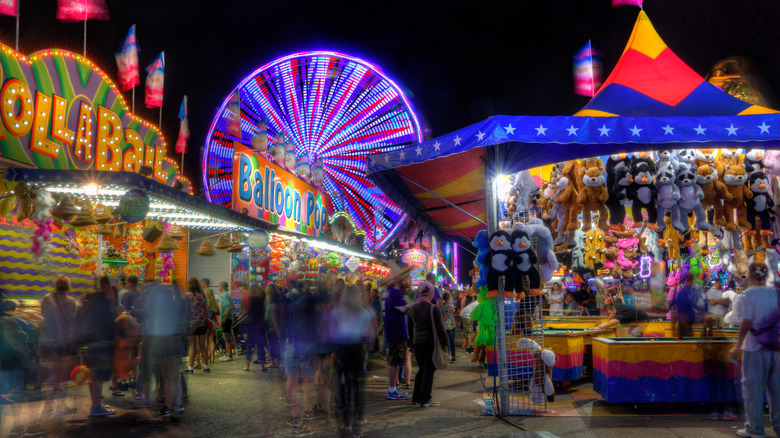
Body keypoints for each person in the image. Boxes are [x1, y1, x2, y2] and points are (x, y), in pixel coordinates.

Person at [729, 263, 780, 438]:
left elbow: (746, 324)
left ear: (750, 276)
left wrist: (737, 346)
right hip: (775, 347)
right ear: (766, 276)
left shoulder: (747, 295)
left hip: (754, 348)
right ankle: (779, 426)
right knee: (776, 389)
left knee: (753, 388)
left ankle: (755, 428)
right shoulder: (775, 293)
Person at [327, 284, 375, 436]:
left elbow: (331, 331)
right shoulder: (365, 312)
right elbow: (370, 336)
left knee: (341, 385)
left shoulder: (337, 311)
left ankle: (345, 420)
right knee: (356, 386)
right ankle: (357, 423)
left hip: (341, 350)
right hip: (356, 350)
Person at [38, 275, 78, 414]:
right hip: (62, 341)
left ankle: (48, 406)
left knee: (52, 373)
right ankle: (60, 407)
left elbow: (43, 315)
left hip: (46, 341)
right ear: (68, 286)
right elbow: (73, 321)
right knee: (60, 374)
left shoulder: (47, 298)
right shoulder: (71, 301)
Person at [407, 281, 448, 407]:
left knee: (422, 369)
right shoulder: (433, 308)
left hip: (417, 343)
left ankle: (416, 397)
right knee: (429, 370)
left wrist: (411, 344)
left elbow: (409, 329)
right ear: (430, 293)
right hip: (430, 343)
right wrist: (445, 343)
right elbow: (441, 329)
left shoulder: (412, 309)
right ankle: (425, 399)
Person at [84, 276, 119, 416]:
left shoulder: (91, 300)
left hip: (92, 343)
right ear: (104, 287)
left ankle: (97, 403)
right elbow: (109, 323)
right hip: (101, 343)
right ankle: (96, 406)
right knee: (98, 375)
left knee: (95, 375)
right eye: (109, 286)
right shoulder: (102, 302)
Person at [381, 261, 414, 400]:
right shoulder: (395, 292)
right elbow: (407, 309)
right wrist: (415, 300)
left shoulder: (387, 292)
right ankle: (392, 390)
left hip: (391, 330)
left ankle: (394, 388)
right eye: (406, 278)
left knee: (393, 361)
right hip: (397, 331)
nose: (409, 280)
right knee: (395, 361)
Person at [184, 277, 210, 373]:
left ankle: (190, 368)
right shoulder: (202, 294)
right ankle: (206, 366)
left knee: (192, 345)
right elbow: (205, 308)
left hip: (191, 323)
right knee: (203, 345)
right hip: (202, 322)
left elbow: (185, 310)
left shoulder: (187, 295)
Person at [243, 284, 267, 372]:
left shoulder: (251, 300)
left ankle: (247, 365)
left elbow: (250, 314)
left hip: (252, 326)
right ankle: (262, 365)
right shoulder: (263, 300)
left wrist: (245, 330)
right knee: (261, 346)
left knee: (249, 346)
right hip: (260, 325)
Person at [218, 281, 235, 361]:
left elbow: (228, 307)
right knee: (226, 336)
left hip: (227, 319)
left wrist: (224, 317)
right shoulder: (227, 295)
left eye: (219, 286)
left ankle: (229, 355)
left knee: (227, 337)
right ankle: (227, 354)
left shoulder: (225, 295)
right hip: (227, 318)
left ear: (222, 286)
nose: (218, 287)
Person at [203, 280, 219, 365]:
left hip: (207, 322)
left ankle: (205, 357)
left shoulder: (205, 302)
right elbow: (218, 313)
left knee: (205, 341)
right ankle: (212, 358)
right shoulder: (214, 303)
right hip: (213, 322)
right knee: (212, 340)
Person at [441, 292, 457, 362]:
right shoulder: (451, 307)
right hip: (451, 325)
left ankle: (448, 355)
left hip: (444, 325)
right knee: (452, 341)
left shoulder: (442, 307)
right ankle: (453, 356)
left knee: (447, 342)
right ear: (449, 298)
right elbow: (454, 314)